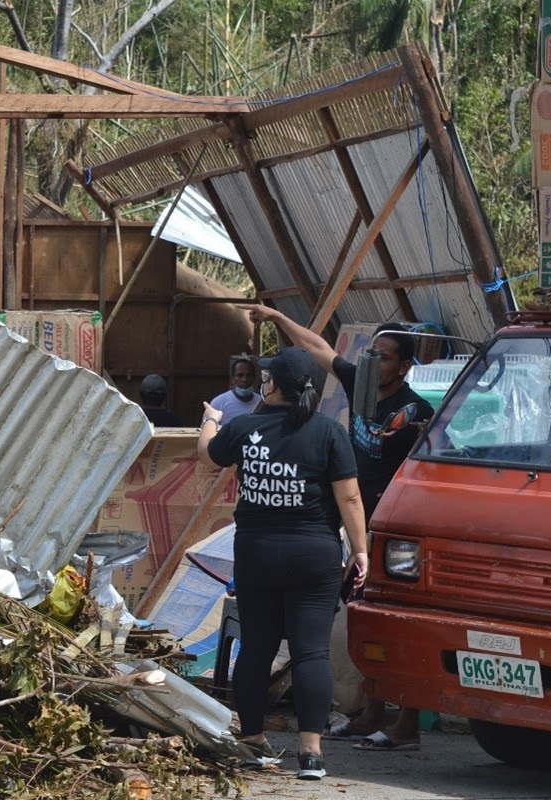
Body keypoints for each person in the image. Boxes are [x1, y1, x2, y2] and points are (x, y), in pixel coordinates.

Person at [244, 304, 434, 752]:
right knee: (364, 619)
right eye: (370, 354)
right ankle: (372, 711)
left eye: (383, 357)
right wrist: (275, 316)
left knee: (397, 620)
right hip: (355, 527)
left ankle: (408, 722)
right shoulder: (360, 385)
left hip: (390, 529)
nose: (372, 362)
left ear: (405, 366)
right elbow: (318, 348)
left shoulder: (417, 411)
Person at [199, 346, 369, 781]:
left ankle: (252, 742)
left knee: (256, 648)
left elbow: (209, 454)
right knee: (311, 651)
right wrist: (361, 549)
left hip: (256, 553)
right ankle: (310, 754)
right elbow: (348, 497)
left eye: (266, 376)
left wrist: (210, 420)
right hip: (313, 556)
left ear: (272, 385)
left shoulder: (243, 426)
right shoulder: (329, 432)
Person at [208, 355, 261, 424]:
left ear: (254, 378)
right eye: (240, 375)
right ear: (233, 378)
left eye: (248, 375)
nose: (244, 379)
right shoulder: (218, 403)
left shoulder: (261, 403)